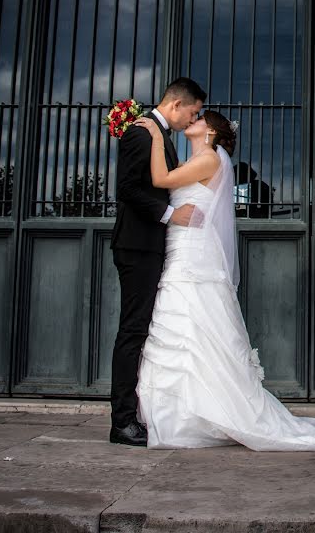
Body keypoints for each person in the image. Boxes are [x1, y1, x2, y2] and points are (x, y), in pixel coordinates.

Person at [130, 110, 315, 451]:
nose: (191, 121)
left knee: (192, 324)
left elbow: (160, 180)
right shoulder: (199, 158)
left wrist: (154, 135)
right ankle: (183, 413)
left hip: (193, 257)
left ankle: (197, 414)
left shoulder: (209, 159)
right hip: (182, 249)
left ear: (209, 131)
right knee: (183, 329)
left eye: (198, 119)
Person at [109, 77, 206, 446]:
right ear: (177, 104)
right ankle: (121, 422)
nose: (191, 121)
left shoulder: (159, 134)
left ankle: (135, 414)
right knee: (132, 331)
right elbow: (128, 188)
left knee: (139, 330)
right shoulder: (141, 132)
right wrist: (170, 216)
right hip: (136, 246)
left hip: (150, 246)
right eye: (193, 112)